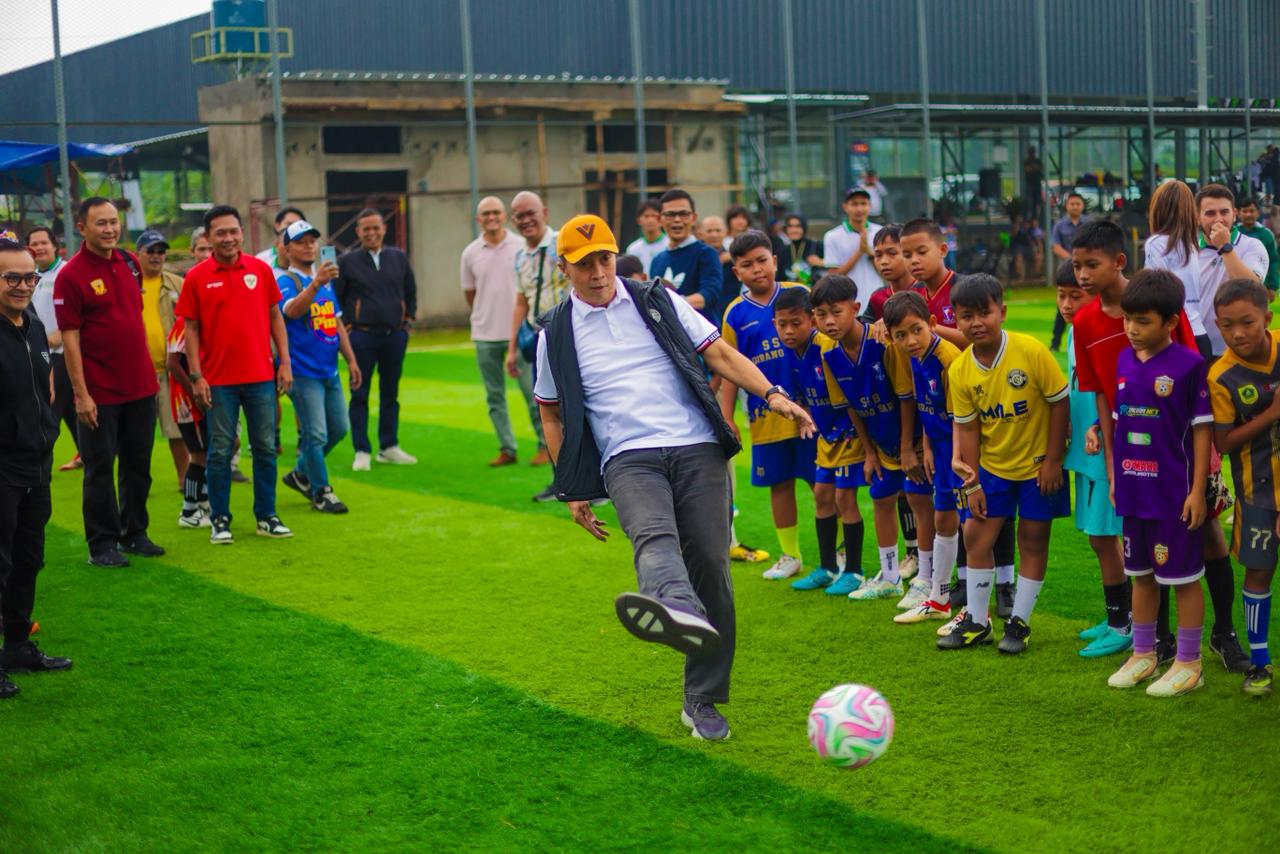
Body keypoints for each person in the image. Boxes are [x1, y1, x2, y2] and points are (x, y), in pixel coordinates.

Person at [533, 214, 814, 741]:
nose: (598, 272)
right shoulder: (555, 332)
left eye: (604, 259)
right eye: (584, 264)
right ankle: (673, 606)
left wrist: (773, 395)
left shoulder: (657, 299)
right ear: (563, 268)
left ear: (615, 256)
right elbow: (550, 413)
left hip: (696, 445)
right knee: (653, 535)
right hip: (627, 456)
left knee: (712, 565)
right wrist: (569, 486)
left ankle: (700, 698)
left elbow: (720, 353)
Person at [1071, 219, 1245, 669]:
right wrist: (1113, 461)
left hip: (1183, 451)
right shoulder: (1085, 321)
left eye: (1091, 265)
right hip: (1133, 456)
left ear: (1118, 261)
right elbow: (1103, 394)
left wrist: (1205, 467)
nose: (1083, 275)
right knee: (1148, 547)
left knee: (1205, 532)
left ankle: (1223, 633)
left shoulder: (1160, 301)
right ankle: (1158, 644)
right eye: (1076, 266)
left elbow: (1191, 379)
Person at [940, 274, 1068, 654]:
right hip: (993, 468)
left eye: (985, 313)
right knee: (975, 536)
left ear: (1002, 312)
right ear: (956, 319)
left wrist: (1053, 460)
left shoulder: (1031, 351)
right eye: (966, 316)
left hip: (1038, 468)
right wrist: (973, 483)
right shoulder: (960, 370)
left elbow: (1059, 402)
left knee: (1033, 539)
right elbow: (968, 428)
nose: (976, 322)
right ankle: (978, 622)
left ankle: (1020, 622)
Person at [1105, 270, 1211, 697]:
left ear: (1170, 322)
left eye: (1142, 321)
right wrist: (1116, 478)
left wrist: (1197, 491)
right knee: (1141, 576)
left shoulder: (1189, 365)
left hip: (1173, 495)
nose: (1131, 328)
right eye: (1127, 318)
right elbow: (1120, 424)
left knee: (1183, 578)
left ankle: (1189, 662)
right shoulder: (1123, 360)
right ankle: (1144, 654)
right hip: (1134, 492)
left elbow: (1202, 430)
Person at [53, 197, 163, 568]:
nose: (110, 229)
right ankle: (101, 544)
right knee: (100, 470)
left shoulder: (130, 262)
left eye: (114, 221)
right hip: (99, 392)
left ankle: (135, 533)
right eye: (101, 223)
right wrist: (81, 395)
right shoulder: (71, 275)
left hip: (141, 387)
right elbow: (70, 338)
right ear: (82, 228)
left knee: (138, 465)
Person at [178, 204, 294, 545]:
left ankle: (267, 516)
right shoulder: (196, 277)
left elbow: (275, 316)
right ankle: (220, 519)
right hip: (218, 382)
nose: (228, 238)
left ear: (242, 232)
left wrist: (285, 362)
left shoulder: (260, 270)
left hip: (261, 377)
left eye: (233, 231)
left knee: (265, 448)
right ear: (208, 236)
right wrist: (196, 376)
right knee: (219, 451)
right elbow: (190, 329)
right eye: (220, 233)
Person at [814, 274, 933, 602]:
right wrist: (869, 452)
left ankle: (926, 578)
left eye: (836, 312)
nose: (829, 321)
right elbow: (851, 407)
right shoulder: (830, 355)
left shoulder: (883, 344)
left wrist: (908, 447)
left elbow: (907, 397)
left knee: (920, 502)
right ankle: (891, 577)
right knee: (881, 499)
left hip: (912, 439)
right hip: (880, 444)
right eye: (821, 314)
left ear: (855, 309)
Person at [0, 233, 72, 699]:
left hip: (36, 462)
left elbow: (43, 388)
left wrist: (46, 433)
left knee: (28, 558)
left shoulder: (32, 324)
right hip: (3, 467)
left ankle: (17, 646)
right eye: (12, 278)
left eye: (30, 277)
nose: (24, 285)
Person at [718, 231, 814, 581]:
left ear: (775, 261)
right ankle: (791, 554)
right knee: (780, 484)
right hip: (765, 418)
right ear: (737, 272)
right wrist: (727, 416)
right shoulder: (735, 313)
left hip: (810, 413)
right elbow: (729, 367)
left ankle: (838, 553)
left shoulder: (799, 294)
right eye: (747, 264)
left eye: (762, 260)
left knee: (823, 484)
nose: (757, 269)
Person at [1056, 260, 1131, 658]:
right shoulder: (1076, 329)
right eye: (1062, 295)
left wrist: (1100, 427)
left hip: (1104, 448)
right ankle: (1119, 615)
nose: (1067, 304)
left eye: (1075, 296)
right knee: (1099, 537)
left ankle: (1123, 623)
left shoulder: (1107, 327)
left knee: (1104, 536)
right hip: (1086, 450)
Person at [1209, 278, 1280, 695]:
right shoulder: (1222, 376)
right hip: (1257, 495)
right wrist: (1271, 414)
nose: (1237, 333)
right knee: (1259, 572)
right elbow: (1223, 443)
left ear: (1266, 318)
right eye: (1227, 325)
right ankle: (1259, 663)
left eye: (1247, 322)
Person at [776, 287, 867, 597]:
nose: (789, 331)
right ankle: (827, 567)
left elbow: (850, 396)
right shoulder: (793, 351)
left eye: (796, 323)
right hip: (825, 436)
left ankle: (854, 571)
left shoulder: (827, 347)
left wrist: (863, 441)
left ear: (811, 320)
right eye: (782, 324)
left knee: (845, 499)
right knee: (822, 496)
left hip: (848, 433)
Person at [883, 290, 964, 624]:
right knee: (944, 519)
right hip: (940, 448)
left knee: (968, 524)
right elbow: (926, 405)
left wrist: (955, 456)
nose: (910, 340)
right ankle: (939, 598)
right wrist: (928, 446)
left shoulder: (948, 359)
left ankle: (969, 605)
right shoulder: (915, 357)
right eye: (901, 335)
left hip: (959, 451)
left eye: (916, 330)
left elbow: (961, 417)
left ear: (931, 323)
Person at [276, 219, 362, 513]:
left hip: (329, 370)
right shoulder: (286, 281)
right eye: (300, 242)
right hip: (302, 372)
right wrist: (315, 283)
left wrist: (351, 360)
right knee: (316, 434)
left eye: (312, 241)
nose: (308, 246)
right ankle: (322, 491)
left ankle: (301, 473)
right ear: (287, 249)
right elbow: (291, 311)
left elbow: (335, 322)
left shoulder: (323, 280)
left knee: (339, 428)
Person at [334, 208, 418, 470]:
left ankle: (388, 446)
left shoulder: (398, 257)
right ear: (358, 232)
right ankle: (361, 450)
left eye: (375, 228)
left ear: (384, 229)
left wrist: (407, 321)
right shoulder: (347, 262)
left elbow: (410, 290)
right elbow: (337, 297)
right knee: (359, 394)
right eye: (366, 229)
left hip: (394, 336)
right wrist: (348, 328)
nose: (371, 233)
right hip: (362, 337)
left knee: (390, 393)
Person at [461, 195, 528, 468]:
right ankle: (507, 448)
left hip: (520, 333)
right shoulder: (470, 253)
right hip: (485, 334)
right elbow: (470, 293)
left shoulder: (521, 246)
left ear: (505, 216)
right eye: (486, 213)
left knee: (534, 393)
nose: (491, 217)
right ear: (478, 219)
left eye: (496, 212)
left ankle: (544, 446)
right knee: (495, 396)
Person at [507, 191, 564, 481]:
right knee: (547, 409)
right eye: (520, 215)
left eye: (531, 213)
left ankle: (593, 483)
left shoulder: (563, 244)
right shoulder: (520, 257)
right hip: (539, 340)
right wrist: (512, 348)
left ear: (545, 212)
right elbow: (521, 302)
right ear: (513, 220)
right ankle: (561, 481)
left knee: (576, 411)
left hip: (568, 337)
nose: (526, 220)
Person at [136, 229, 189, 491]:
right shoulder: (129, 284)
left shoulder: (178, 284)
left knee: (177, 430)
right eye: (151, 251)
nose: (156, 256)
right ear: (139, 254)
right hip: (138, 373)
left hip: (171, 371)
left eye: (161, 251)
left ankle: (185, 481)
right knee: (137, 435)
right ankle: (137, 484)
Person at [25, 226, 79, 471]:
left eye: (43, 243)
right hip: (38, 353)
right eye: (34, 244)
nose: (39, 248)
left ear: (55, 245)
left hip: (61, 354)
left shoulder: (66, 272)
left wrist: (60, 335)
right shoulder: (30, 276)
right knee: (69, 410)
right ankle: (88, 453)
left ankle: (37, 465)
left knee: (48, 410)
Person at [1194, 184, 1269, 357]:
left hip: (1240, 349)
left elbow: (1251, 289)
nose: (1218, 220)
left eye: (1224, 212)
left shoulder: (1251, 246)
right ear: (1197, 218)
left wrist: (1224, 247)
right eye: (1210, 213)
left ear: (1234, 214)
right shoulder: (1189, 252)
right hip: (1198, 348)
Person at [1144, 180, 1211, 354]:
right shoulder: (1191, 245)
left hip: (1178, 336)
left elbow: (1154, 292)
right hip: (1199, 335)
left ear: (1158, 208)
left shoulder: (1157, 243)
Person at [165, 312, 211, 528]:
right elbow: (172, 363)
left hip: (199, 399)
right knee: (199, 454)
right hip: (187, 404)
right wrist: (194, 391)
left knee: (211, 450)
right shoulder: (183, 323)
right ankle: (189, 510)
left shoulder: (203, 319)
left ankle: (202, 501)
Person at [650, 189, 723, 321]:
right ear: (659, 219)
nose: (677, 219)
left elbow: (710, 294)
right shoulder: (657, 260)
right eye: (670, 214)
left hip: (702, 332)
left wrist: (671, 305)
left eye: (683, 214)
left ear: (693, 218)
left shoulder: (707, 254)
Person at [822, 189, 882, 304]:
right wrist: (859, 252)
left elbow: (886, 272)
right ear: (845, 207)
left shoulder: (880, 232)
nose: (859, 209)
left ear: (870, 206)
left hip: (876, 299)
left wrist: (870, 254)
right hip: (849, 301)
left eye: (863, 203)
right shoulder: (832, 236)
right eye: (854, 204)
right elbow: (833, 276)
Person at [1048, 192, 1089, 350]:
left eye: (1078, 204)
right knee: (1064, 306)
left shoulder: (1089, 224)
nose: (1075, 207)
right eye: (1072, 204)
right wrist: (1073, 259)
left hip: (1085, 272)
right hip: (1067, 272)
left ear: (1082, 206)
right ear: (1066, 206)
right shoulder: (1059, 225)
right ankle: (1055, 342)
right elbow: (1055, 246)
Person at [864, 224, 924, 321]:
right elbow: (865, 328)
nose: (883, 261)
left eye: (892, 253)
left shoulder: (927, 292)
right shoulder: (878, 297)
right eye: (878, 255)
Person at [1235, 197, 1280, 294]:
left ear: (1258, 213)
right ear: (1237, 213)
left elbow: (1273, 261)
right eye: (1245, 211)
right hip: (1234, 286)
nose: (1248, 214)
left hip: (1261, 286)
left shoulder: (1266, 234)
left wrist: (1272, 286)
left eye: (1251, 211)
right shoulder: (1232, 233)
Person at [773, 214, 824, 285]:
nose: (794, 230)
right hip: (791, 290)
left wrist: (821, 262)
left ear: (804, 228)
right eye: (790, 226)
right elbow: (779, 279)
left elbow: (834, 266)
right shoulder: (783, 251)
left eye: (798, 226)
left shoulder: (816, 246)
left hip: (813, 290)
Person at [624, 198, 666, 275]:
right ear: (639, 220)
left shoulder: (670, 245)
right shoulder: (633, 249)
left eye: (654, 216)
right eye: (646, 216)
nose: (650, 220)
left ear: (662, 219)